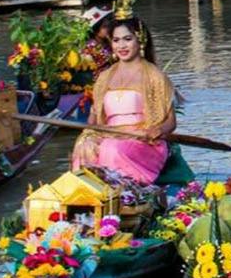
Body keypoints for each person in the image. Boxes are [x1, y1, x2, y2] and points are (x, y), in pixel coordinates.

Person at [71, 15, 177, 184]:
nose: (121, 46)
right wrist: (89, 131)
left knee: (111, 148)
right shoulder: (105, 77)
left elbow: (171, 122)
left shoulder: (155, 76)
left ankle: (120, 195)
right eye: (116, 40)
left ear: (140, 41)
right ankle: (87, 195)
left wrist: (157, 130)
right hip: (110, 134)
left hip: (142, 139)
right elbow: (95, 116)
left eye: (127, 39)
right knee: (84, 144)